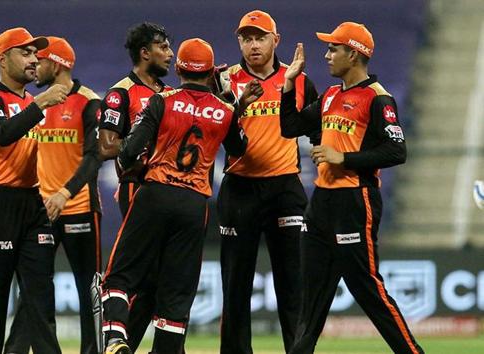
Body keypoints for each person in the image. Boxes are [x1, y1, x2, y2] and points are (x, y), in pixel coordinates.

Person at [100, 38, 263, 354]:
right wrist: (236, 109)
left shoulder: (161, 100)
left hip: (154, 195)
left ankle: (117, 338)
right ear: (211, 72)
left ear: (178, 69)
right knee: (176, 295)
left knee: (117, 278)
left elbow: (129, 152)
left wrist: (130, 168)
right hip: (193, 205)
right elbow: (240, 149)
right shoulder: (225, 111)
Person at [279, 22, 425, 354]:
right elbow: (290, 127)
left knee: (368, 289)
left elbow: (396, 151)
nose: (327, 55)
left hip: (355, 200)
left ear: (354, 54)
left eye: (334, 49)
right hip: (322, 203)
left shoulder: (378, 98)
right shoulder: (331, 96)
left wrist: (341, 156)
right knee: (311, 295)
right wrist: (289, 84)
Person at [216, 10, 319, 353]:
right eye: (246, 38)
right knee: (235, 288)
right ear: (239, 42)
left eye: (260, 37)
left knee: (293, 286)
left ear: (276, 41)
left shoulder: (299, 81)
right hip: (240, 189)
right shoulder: (225, 80)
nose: (253, 45)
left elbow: (320, 130)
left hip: (285, 188)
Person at [3, 36, 103, 354]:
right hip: (40, 213)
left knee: (90, 292)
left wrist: (64, 193)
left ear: (57, 64)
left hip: (79, 209)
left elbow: (94, 158)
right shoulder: (36, 104)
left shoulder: (88, 102)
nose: (34, 65)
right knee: (31, 293)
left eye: (40, 59)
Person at [0, 27, 68, 354]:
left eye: (35, 53)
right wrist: (41, 103)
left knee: (39, 298)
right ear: (2, 59)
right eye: (24, 52)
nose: (33, 59)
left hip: (34, 202)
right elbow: (1, 133)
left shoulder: (28, 101)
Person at [97, 22, 175, 352]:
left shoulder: (168, 94)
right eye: (164, 47)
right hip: (138, 188)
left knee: (157, 281)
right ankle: (115, 337)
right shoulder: (121, 94)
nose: (170, 54)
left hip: (172, 190)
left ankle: (122, 342)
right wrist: (146, 142)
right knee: (135, 274)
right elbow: (105, 146)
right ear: (145, 53)